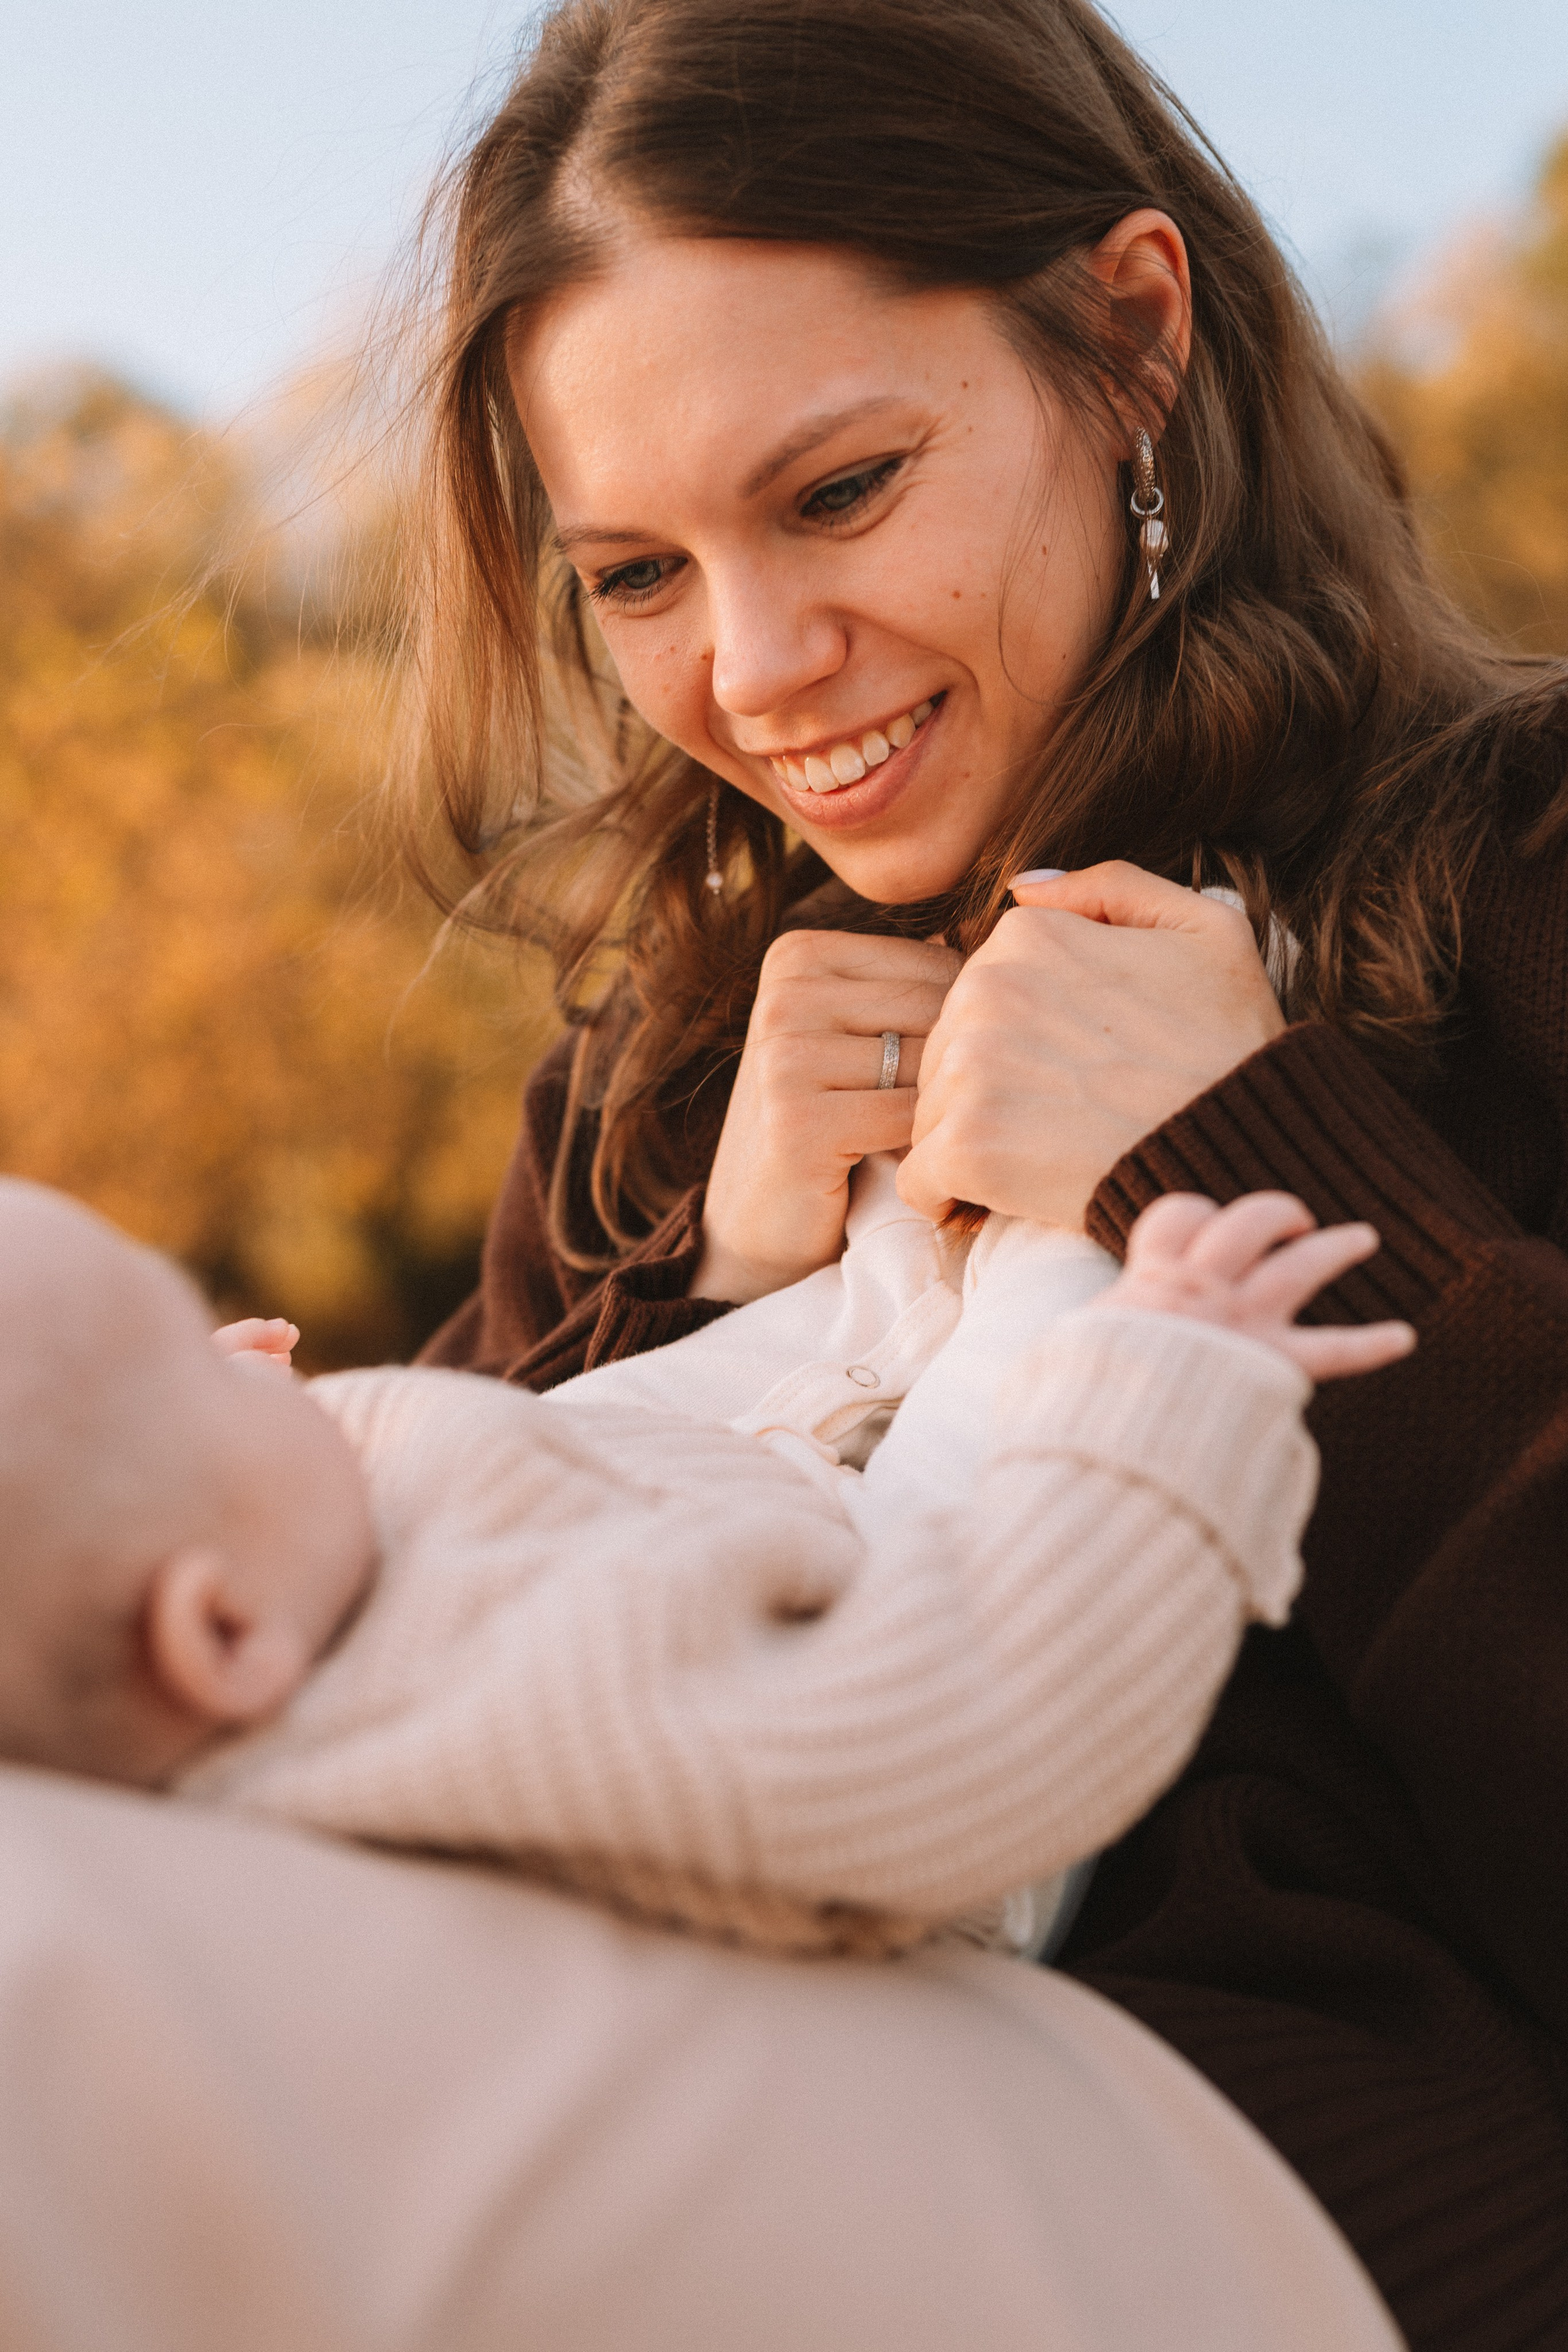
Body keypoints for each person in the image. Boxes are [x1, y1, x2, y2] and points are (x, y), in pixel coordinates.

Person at [392, 1, 1568, 2342]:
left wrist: (1263, 1162)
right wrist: (702, 1308)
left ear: (1133, 339)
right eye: (633, 575)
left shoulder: (1526, 879)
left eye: (837, 493)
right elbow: (407, 1680)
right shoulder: (644, 1101)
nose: (753, 671)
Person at [0, 1167, 1409, 1959]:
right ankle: (1046, 1200)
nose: (265, 1354)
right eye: (192, 1368)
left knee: (675, 1374)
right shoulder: (531, 1729)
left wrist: (188, 1431)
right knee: (1071, 1265)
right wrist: (1165, 1393)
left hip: (675, 1519)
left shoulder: (304, 1607)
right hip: (890, 1616)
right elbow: (964, 1720)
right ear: (223, 1633)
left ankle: (905, 1241)